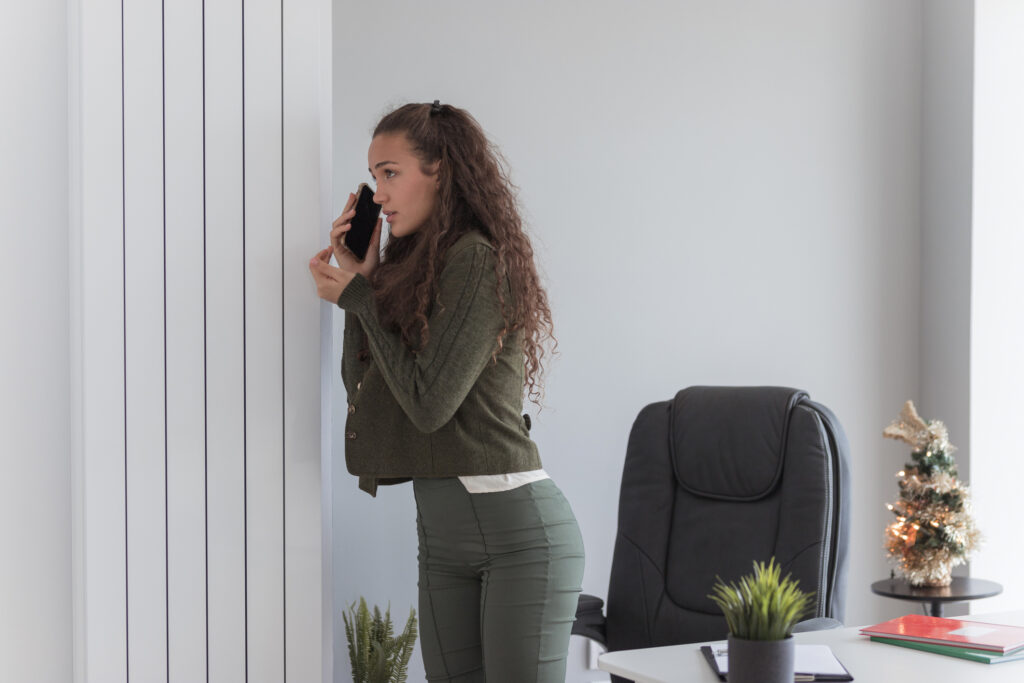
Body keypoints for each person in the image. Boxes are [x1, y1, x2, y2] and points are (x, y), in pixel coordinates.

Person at [307, 101, 585, 682]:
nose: (377, 194)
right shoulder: (418, 272)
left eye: (390, 172)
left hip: (519, 536)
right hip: (441, 539)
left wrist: (359, 300)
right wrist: (364, 283)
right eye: (374, 176)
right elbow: (367, 391)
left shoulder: (478, 261)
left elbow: (431, 405)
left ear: (441, 170)